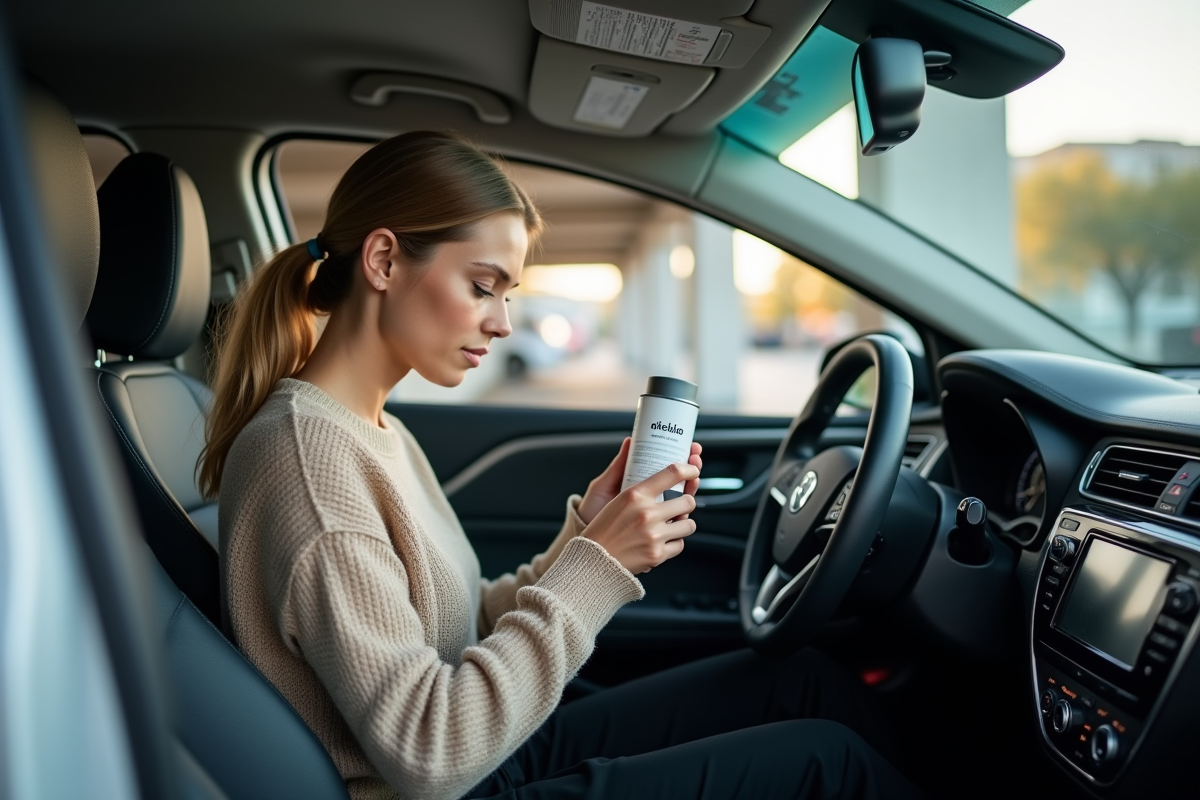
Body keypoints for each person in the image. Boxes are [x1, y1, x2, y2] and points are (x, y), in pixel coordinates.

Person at [200, 131, 919, 800]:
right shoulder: (308, 462)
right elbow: (429, 751)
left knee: (803, 679)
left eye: (508, 294)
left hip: (484, 753)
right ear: (384, 261)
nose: (503, 322)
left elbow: (461, 627)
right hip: (443, 781)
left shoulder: (375, 430)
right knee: (829, 762)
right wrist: (598, 566)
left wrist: (588, 538)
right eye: (483, 286)